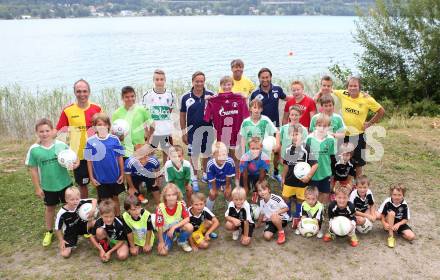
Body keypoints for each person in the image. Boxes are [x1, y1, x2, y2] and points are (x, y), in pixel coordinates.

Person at [25, 118, 78, 247]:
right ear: (37, 132)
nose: (44, 133)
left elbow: (74, 159)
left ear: (52, 131)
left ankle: (74, 227)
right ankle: (49, 231)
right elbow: (33, 169)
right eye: (41, 131)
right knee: (50, 209)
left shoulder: (61, 145)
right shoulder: (34, 149)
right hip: (48, 186)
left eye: (47, 130)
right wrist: (37, 188)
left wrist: (75, 164)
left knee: (70, 206)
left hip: (65, 183)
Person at [56, 79, 102, 199]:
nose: (82, 94)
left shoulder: (97, 108)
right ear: (75, 92)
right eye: (79, 91)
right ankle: (85, 206)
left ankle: (102, 205)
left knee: (100, 182)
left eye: (85, 91)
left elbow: (105, 128)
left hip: (97, 153)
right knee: (83, 184)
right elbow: (59, 132)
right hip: (78, 155)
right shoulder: (68, 111)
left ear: (89, 92)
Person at [333, 76, 385, 178]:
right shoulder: (343, 94)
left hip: (358, 135)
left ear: (359, 87)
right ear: (347, 87)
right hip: (343, 135)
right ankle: (342, 184)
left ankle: (358, 186)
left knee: (358, 163)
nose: (352, 88)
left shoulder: (366, 99)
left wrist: (369, 123)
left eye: (355, 86)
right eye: (350, 86)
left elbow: (381, 111)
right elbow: (328, 90)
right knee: (342, 160)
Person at [204, 76, 250, 180]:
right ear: (221, 86)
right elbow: (207, 117)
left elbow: (246, 115)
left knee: (236, 155)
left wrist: (244, 98)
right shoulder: (214, 100)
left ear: (232, 85)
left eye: (229, 84)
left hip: (236, 132)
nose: (226, 87)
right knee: (222, 155)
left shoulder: (239, 99)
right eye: (224, 85)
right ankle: (224, 175)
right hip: (222, 133)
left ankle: (237, 175)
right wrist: (207, 100)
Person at [249, 68, 287, 181]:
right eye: (262, 77)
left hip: (275, 127)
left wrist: (302, 99)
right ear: (259, 79)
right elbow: (251, 110)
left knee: (277, 150)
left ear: (270, 77)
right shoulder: (255, 94)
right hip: (261, 128)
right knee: (261, 150)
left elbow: (287, 99)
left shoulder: (277, 89)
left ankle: (275, 172)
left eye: (267, 77)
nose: (265, 79)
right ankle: (262, 172)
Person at [180, 71, 215, 188]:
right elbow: (182, 115)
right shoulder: (185, 97)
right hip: (192, 132)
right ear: (192, 82)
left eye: (201, 81)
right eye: (197, 81)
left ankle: (205, 175)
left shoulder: (211, 94)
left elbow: (216, 113)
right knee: (194, 155)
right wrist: (183, 132)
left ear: (204, 82)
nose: (199, 83)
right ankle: (194, 177)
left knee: (206, 154)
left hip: (207, 131)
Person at [85, 113, 125, 216]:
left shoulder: (114, 139)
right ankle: (107, 219)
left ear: (108, 125)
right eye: (98, 124)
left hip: (114, 176)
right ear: (94, 126)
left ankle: (117, 217)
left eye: (104, 124)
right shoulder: (90, 141)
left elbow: (119, 157)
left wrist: (122, 174)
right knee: (104, 200)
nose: (101, 127)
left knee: (115, 198)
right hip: (100, 178)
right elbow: (89, 160)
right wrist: (92, 177)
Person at [281, 124, 318, 229]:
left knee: (300, 199)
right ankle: (287, 214)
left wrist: (309, 176)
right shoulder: (288, 149)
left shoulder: (306, 148)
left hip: (302, 182)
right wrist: (283, 177)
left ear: (302, 135)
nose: (295, 136)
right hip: (289, 180)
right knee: (285, 196)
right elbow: (286, 165)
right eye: (293, 134)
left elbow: (315, 164)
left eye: (297, 134)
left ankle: (297, 215)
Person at [142, 69, 176, 165]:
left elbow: (169, 111)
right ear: (153, 80)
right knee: (151, 151)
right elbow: (144, 114)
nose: (159, 82)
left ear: (165, 80)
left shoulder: (170, 95)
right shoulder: (147, 95)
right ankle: (153, 169)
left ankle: (165, 169)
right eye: (157, 79)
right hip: (153, 131)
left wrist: (168, 128)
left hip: (165, 130)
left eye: (161, 79)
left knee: (166, 151)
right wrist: (146, 131)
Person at [55, 187, 97, 258]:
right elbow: (57, 228)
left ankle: (94, 235)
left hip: (82, 225)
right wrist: (61, 240)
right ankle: (71, 244)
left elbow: (94, 200)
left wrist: (93, 209)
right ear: (66, 200)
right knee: (65, 254)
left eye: (77, 199)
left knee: (95, 222)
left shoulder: (80, 202)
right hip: (70, 232)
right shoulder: (62, 213)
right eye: (72, 199)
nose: (75, 201)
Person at [112, 86, 153, 159]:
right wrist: (120, 137)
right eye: (127, 97)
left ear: (135, 96)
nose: (130, 99)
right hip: (125, 150)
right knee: (127, 169)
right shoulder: (116, 113)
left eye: (132, 96)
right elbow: (113, 133)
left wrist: (148, 142)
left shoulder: (142, 110)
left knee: (142, 169)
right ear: (122, 98)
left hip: (141, 147)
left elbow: (152, 125)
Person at [155, 183, 194, 255]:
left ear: (177, 195)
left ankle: (181, 241)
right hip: (165, 229)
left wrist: (173, 227)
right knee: (163, 252)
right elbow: (159, 226)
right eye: (168, 195)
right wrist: (161, 242)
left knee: (190, 227)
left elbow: (187, 219)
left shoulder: (181, 203)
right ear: (165, 196)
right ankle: (171, 237)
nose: (171, 197)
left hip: (177, 226)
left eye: (173, 195)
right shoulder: (160, 207)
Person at [306, 114, 337, 204]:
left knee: (325, 192)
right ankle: (313, 209)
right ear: (315, 126)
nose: (322, 128)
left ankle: (321, 209)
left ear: (329, 127)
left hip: (325, 171)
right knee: (313, 192)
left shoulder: (331, 139)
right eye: (319, 125)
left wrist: (332, 174)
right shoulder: (309, 138)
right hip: (313, 172)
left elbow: (332, 156)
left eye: (325, 126)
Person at [378, 184, 415, 248]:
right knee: (392, 213)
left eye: (399, 195)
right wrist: (384, 223)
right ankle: (391, 236)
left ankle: (396, 231)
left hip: (399, 223)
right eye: (394, 195)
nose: (397, 197)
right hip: (388, 221)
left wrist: (398, 224)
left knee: (411, 237)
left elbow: (406, 219)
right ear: (391, 195)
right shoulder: (387, 202)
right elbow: (382, 215)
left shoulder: (404, 204)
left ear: (403, 195)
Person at [255, 180, 289, 244]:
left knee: (273, 216)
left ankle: (281, 233)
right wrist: (258, 225)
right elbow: (262, 213)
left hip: (281, 219)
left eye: (264, 189)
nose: (262, 192)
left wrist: (277, 212)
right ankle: (276, 228)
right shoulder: (261, 201)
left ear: (269, 190)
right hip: (270, 221)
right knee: (266, 237)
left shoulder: (276, 198)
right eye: (260, 190)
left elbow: (286, 208)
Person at [206, 141, 235, 211]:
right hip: (215, 181)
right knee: (212, 194)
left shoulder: (230, 162)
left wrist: (227, 187)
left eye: (224, 154)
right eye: (219, 155)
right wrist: (214, 189)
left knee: (228, 194)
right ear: (213, 155)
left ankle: (231, 211)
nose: (222, 158)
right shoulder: (210, 164)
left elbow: (229, 176)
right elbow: (211, 179)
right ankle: (207, 211)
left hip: (226, 181)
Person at [239, 137, 270, 203]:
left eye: (257, 148)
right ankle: (245, 192)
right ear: (249, 148)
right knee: (244, 189)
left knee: (260, 186)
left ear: (261, 148)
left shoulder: (265, 158)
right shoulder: (244, 157)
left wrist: (258, 184)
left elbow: (262, 173)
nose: (255, 151)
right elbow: (244, 173)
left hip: (258, 174)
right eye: (253, 148)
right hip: (247, 174)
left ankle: (255, 195)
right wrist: (246, 186)